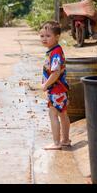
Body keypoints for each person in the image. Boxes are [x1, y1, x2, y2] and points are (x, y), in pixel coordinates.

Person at [40, 21, 70, 150]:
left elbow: (56, 72)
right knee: (63, 113)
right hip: (61, 89)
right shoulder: (55, 50)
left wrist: (45, 85)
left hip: (56, 90)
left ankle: (57, 143)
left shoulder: (55, 53)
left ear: (57, 36)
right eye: (42, 36)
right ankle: (65, 139)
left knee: (53, 114)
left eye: (48, 36)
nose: (44, 39)